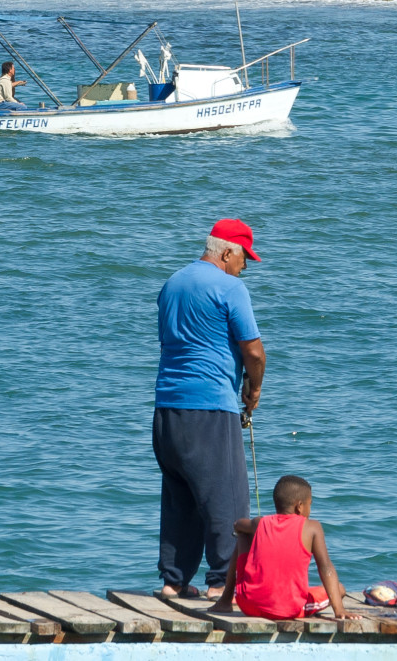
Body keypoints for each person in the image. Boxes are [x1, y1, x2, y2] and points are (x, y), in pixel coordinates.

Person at [153, 218, 266, 599]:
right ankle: (223, 584)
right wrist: (254, 388)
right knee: (226, 497)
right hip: (210, 408)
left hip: (167, 409)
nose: (245, 267)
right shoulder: (230, 288)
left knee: (180, 496)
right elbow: (254, 352)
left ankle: (173, 582)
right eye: (244, 258)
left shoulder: (172, 283)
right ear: (227, 252)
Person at [212, 475, 360, 621]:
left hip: (248, 604)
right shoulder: (312, 528)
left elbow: (238, 524)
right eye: (310, 504)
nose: (310, 509)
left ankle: (225, 600)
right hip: (289, 609)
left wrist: (243, 527)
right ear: (300, 506)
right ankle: (331, 603)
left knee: (244, 534)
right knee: (340, 589)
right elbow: (325, 567)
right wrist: (339, 609)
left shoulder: (259, 522)